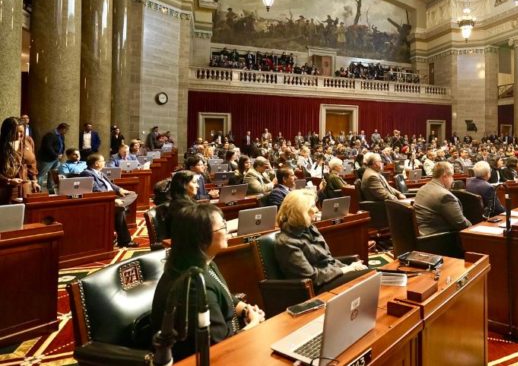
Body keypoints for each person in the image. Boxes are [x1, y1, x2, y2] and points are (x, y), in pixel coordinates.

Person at [151, 203, 264, 361]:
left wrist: (245, 310)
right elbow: (218, 347)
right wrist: (254, 325)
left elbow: (224, 294)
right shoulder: (194, 284)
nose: (227, 231)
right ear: (201, 238)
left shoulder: (204, 263)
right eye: (222, 227)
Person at [274, 190, 369, 292]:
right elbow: (312, 277)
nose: (316, 210)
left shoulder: (310, 228)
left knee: (369, 272)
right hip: (318, 286)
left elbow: (328, 259)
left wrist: (348, 267)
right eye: (312, 206)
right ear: (300, 211)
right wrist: (346, 269)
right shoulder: (286, 242)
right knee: (369, 276)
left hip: (331, 276)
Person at [79, 154, 138, 247]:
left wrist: (120, 190)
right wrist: (113, 199)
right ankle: (125, 241)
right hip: (103, 200)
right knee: (120, 212)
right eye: (103, 161)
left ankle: (119, 205)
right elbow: (96, 190)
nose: (104, 163)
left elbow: (111, 185)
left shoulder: (100, 172)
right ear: (96, 163)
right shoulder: (87, 173)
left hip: (112, 198)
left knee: (132, 194)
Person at [413, 161, 471, 236]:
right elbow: (462, 224)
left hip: (421, 233)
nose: (453, 180)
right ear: (444, 176)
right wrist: (474, 227)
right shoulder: (445, 196)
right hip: (436, 239)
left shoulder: (423, 188)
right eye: (452, 176)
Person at [0, 117, 33, 204]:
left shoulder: (28, 141)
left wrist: (34, 180)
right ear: (7, 132)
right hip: (5, 190)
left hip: (25, 189)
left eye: (21, 132)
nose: (19, 135)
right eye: (16, 132)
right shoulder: (1, 146)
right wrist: (8, 180)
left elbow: (32, 163)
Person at [37, 122, 69, 192]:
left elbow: (62, 145)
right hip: (47, 159)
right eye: (66, 130)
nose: (66, 132)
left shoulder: (61, 135)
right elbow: (48, 146)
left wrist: (61, 154)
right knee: (42, 174)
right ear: (62, 129)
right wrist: (56, 155)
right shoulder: (50, 134)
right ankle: (38, 189)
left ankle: (50, 188)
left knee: (52, 174)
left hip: (56, 159)